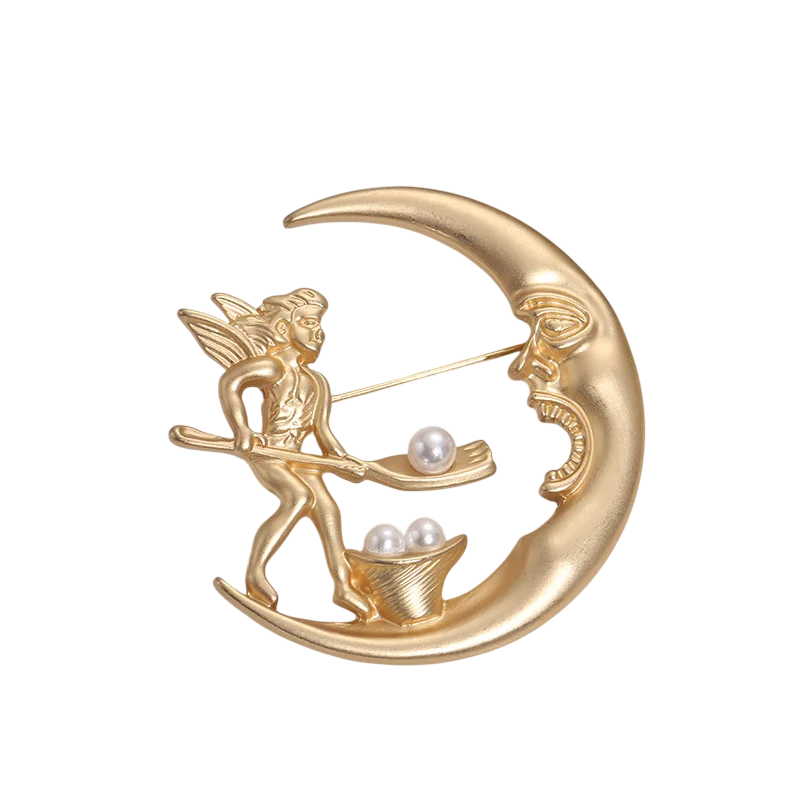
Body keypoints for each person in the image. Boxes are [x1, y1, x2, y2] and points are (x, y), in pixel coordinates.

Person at [217, 288, 370, 617]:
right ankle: (255, 574)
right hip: (269, 454)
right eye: (309, 322)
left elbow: (323, 433)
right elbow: (230, 382)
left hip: (300, 459)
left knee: (327, 508)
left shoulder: (318, 383)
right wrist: (242, 430)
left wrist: (342, 461)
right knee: (299, 497)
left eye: (320, 324)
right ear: (284, 328)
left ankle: (343, 586)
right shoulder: (272, 368)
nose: (319, 332)